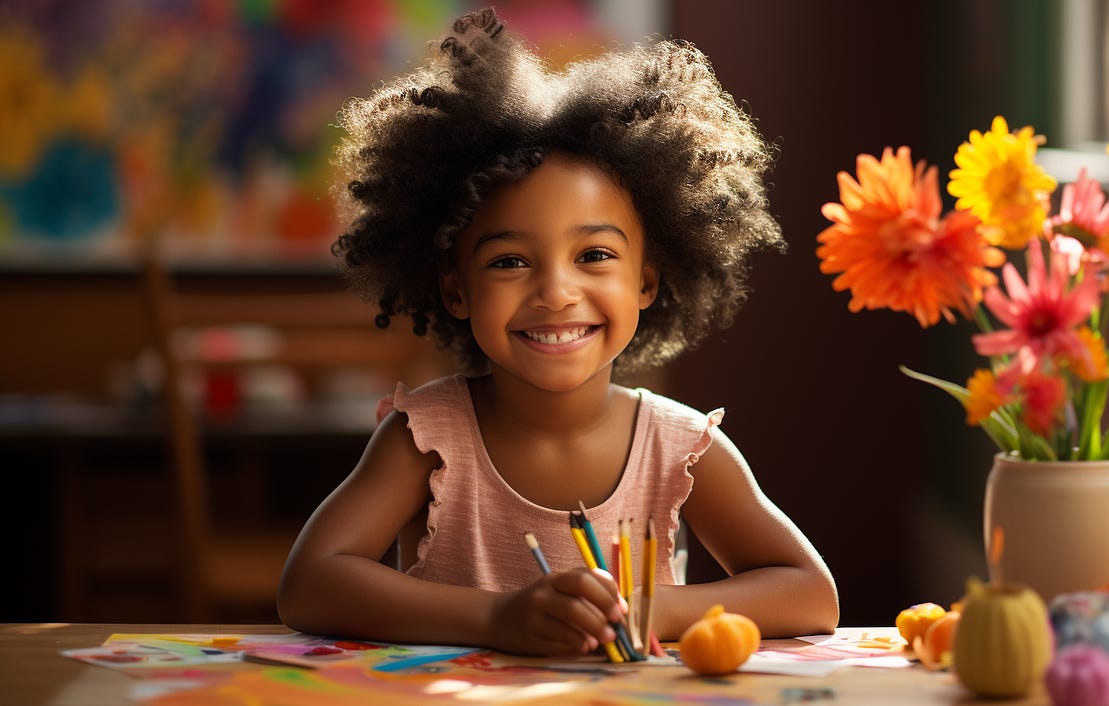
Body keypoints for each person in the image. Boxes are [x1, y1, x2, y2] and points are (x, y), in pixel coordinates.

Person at [277, 7, 838, 656]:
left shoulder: (681, 448)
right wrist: (497, 619)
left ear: (646, 283)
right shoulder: (424, 440)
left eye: (594, 256)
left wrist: (643, 610)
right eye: (510, 261)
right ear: (455, 289)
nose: (555, 292)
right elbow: (308, 585)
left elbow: (811, 593)